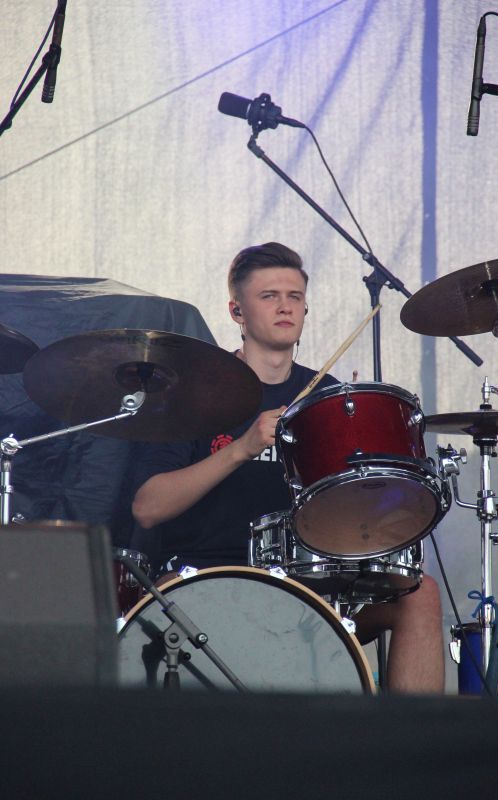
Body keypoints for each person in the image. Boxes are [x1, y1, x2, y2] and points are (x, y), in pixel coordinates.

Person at [132, 241, 444, 693]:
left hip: (308, 587)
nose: (285, 306)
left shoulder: (326, 397)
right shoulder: (196, 393)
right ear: (237, 312)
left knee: (421, 594)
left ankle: (413, 738)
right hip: (209, 578)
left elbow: (352, 515)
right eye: (269, 296)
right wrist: (242, 448)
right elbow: (146, 508)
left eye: (294, 296)